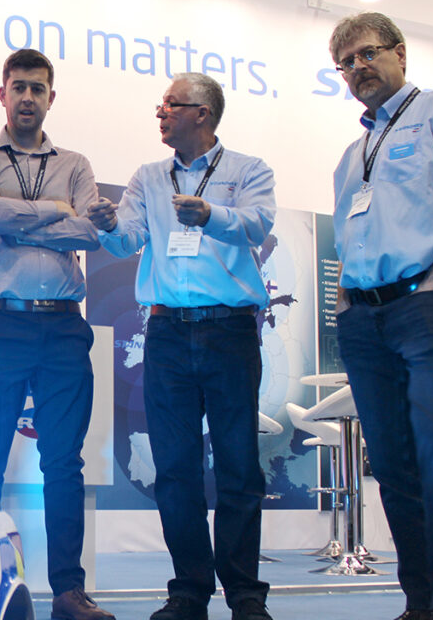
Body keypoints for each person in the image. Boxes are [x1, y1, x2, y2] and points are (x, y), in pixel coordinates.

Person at [89, 72, 276, 620]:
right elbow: (127, 238)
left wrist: (211, 214)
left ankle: (244, 593)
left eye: (172, 105)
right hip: (167, 332)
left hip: (230, 331)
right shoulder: (149, 177)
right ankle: (190, 589)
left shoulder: (248, 170)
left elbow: (258, 224)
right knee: (175, 467)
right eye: (162, 105)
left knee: (240, 465)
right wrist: (105, 225)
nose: (161, 113)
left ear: (204, 113)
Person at [0, 49, 112, 620]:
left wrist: (21, 213)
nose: (26, 97)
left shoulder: (75, 160)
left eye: (37, 89)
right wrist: (54, 211)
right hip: (0, 322)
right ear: (2, 94)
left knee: (63, 462)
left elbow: (91, 233)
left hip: (63, 325)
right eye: (17, 87)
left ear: (51, 97)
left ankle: (68, 592)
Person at [328, 12, 433, 620]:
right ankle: (420, 601)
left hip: (428, 307)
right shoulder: (351, 156)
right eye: (345, 63)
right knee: (396, 469)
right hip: (365, 323)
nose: (357, 69)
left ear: (400, 53)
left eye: (367, 54)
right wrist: (345, 301)